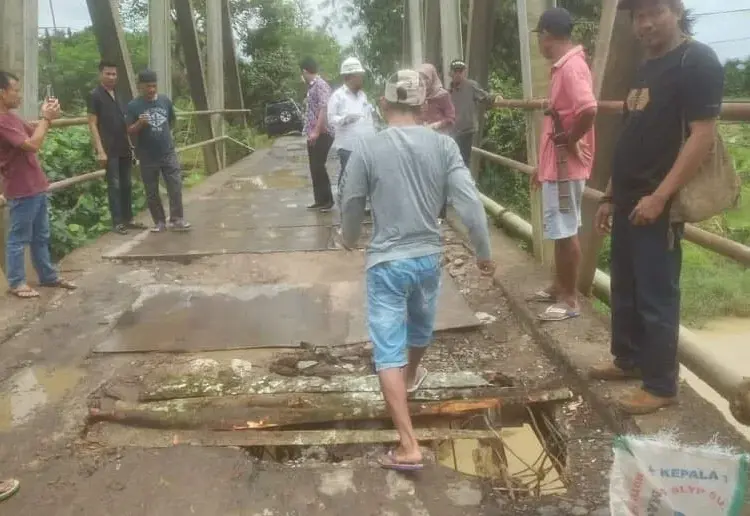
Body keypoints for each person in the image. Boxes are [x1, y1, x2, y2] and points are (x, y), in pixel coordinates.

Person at [339, 70, 494, 470]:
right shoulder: (444, 147)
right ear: (424, 106)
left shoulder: (367, 149)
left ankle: (409, 445)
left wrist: (349, 238)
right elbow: (469, 204)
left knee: (388, 345)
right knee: (421, 326)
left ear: (383, 104)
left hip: (387, 263)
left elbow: (352, 202)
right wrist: (483, 251)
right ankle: (410, 377)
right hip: (427, 257)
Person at [590, 0, 724, 415]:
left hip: (657, 201)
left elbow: (701, 136)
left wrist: (661, 195)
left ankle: (661, 383)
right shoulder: (647, 65)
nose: (644, 23)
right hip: (630, 197)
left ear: (677, 10)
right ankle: (628, 360)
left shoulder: (696, 61)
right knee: (626, 287)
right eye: (637, 16)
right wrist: (611, 194)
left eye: (654, 13)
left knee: (656, 293)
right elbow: (631, 132)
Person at [528, 7, 597, 322]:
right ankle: (560, 286)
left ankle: (570, 299)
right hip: (556, 166)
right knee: (559, 230)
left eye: (539, 38)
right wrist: (541, 168)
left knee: (566, 232)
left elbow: (588, 109)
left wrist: (570, 140)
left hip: (566, 167)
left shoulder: (571, 68)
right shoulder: (565, 66)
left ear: (546, 36)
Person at [0, 71, 77, 298]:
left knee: (40, 235)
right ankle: (16, 282)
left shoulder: (12, 118)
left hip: (35, 185)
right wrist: (46, 118)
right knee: (18, 237)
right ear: (2, 93)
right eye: (15, 90)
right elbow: (32, 145)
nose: (19, 95)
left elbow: (36, 134)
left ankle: (48, 275)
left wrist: (48, 117)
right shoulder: (2, 121)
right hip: (22, 188)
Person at [126, 70, 190, 232]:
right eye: (148, 86)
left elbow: (171, 121)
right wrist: (139, 124)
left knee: (175, 185)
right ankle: (159, 221)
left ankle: (177, 219)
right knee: (152, 190)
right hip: (147, 155)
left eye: (154, 86)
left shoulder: (164, 101)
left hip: (167, 152)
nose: (151, 89)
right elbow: (129, 130)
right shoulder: (133, 106)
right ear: (140, 86)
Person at [88, 60, 146, 235]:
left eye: (114, 74)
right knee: (114, 185)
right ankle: (117, 222)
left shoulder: (118, 94)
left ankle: (128, 219)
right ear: (100, 74)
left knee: (127, 184)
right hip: (109, 147)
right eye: (108, 73)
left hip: (123, 146)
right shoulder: (95, 95)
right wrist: (100, 150)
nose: (112, 77)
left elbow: (124, 121)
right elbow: (92, 124)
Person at [327, 57, 376, 195]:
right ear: (351, 77)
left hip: (365, 144)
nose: (362, 79)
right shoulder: (338, 96)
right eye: (360, 76)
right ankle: (344, 199)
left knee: (363, 175)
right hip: (347, 146)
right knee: (348, 175)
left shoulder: (362, 95)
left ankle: (361, 201)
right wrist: (345, 119)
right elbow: (331, 119)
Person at [300, 57, 335, 212]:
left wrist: (316, 131)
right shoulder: (312, 86)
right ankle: (319, 200)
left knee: (319, 166)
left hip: (322, 132)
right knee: (314, 167)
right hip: (313, 133)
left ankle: (327, 200)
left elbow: (324, 108)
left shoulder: (320, 85)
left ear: (304, 71)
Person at [448, 58, 495, 166]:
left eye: (460, 71)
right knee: (453, 160)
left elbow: (485, 97)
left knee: (463, 161)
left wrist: (495, 98)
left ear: (464, 72)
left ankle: (464, 182)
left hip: (466, 130)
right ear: (450, 73)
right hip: (453, 131)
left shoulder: (471, 85)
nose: (458, 74)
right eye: (455, 71)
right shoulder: (449, 90)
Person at [418, 63, 455, 134]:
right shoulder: (418, 94)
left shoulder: (442, 95)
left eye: (426, 78)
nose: (423, 81)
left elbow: (451, 118)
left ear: (433, 77)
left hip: (439, 135)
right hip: (422, 136)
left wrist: (436, 125)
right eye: (421, 78)